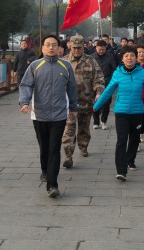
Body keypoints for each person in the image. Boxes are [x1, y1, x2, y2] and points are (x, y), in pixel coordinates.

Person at [19, 34, 78, 198]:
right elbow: (26, 85)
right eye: (47, 45)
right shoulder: (35, 66)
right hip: (39, 114)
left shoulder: (66, 66)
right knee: (44, 147)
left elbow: (72, 88)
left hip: (59, 114)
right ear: (43, 48)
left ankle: (52, 184)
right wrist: (24, 102)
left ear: (59, 48)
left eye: (54, 45)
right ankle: (45, 170)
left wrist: (73, 108)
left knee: (54, 148)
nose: (51, 47)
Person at [93, 46, 144, 181]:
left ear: (136, 58)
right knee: (122, 140)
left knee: (134, 139)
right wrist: (97, 106)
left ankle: (130, 160)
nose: (129, 58)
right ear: (122, 59)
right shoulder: (117, 73)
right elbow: (108, 91)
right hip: (121, 112)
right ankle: (121, 170)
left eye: (132, 56)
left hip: (137, 112)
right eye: (126, 56)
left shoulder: (142, 73)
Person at [61, 35, 105, 169]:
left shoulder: (91, 61)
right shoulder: (63, 61)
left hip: (86, 102)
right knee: (68, 130)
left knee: (84, 128)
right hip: (69, 104)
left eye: (79, 48)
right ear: (70, 46)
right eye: (74, 48)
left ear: (83, 47)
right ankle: (68, 155)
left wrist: (99, 92)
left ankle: (83, 146)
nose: (76, 50)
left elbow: (99, 79)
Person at [92, 39, 117, 130]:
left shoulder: (110, 56)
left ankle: (104, 121)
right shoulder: (91, 57)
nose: (101, 51)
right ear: (96, 48)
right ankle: (96, 122)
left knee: (106, 103)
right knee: (95, 102)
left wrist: (111, 80)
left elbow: (113, 69)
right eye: (100, 49)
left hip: (107, 82)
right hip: (94, 83)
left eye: (103, 49)